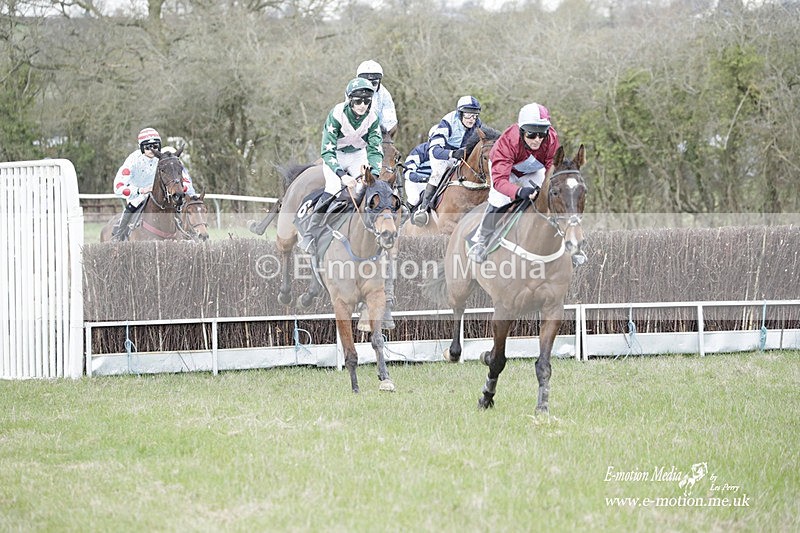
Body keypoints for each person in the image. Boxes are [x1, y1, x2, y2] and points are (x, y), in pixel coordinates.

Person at [467, 102, 569, 264]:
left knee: (552, 194)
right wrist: (519, 192)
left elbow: (552, 168)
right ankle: (481, 240)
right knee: (499, 199)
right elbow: (500, 181)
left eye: (541, 133)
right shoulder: (507, 143)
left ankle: (567, 239)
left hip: (533, 169)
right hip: (506, 171)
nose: (537, 139)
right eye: (531, 134)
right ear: (521, 131)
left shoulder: (550, 139)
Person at [297, 77, 383, 254]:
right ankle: (310, 234)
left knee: (366, 189)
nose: (362, 105)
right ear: (350, 100)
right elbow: (326, 151)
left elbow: (375, 149)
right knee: (334, 186)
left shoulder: (373, 117)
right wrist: (342, 175)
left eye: (366, 101)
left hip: (358, 155)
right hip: (335, 154)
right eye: (358, 100)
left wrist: (372, 174)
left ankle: (368, 232)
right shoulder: (337, 114)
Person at [111, 127, 196, 241]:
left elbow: (186, 182)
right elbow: (118, 187)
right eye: (147, 147)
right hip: (138, 197)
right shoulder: (133, 160)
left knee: (178, 207)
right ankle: (118, 237)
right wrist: (140, 190)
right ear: (141, 147)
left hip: (163, 197)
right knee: (131, 208)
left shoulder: (165, 159)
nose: (152, 150)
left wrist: (179, 189)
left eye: (155, 146)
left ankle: (188, 235)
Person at [412, 95, 483, 225]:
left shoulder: (478, 124)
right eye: (468, 115)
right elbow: (435, 150)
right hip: (442, 153)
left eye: (475, 115)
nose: (472, 119)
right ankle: (423, 208)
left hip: (461, 154)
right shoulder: (448, 122)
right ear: (460, 113)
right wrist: (452, 153)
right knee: (438, 172)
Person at [356, 60, 398, 139]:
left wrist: (378, 135)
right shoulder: (351, 92)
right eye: (365, 82)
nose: (369, 87)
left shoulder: (385, 95)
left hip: (379, 135)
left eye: (374, 83)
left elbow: (391, 122)